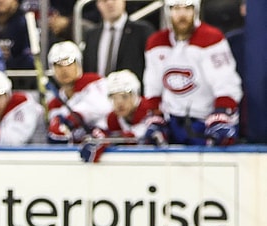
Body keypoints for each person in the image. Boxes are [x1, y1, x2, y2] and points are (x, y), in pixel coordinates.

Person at [142, 0, 242, 146]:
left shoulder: (211, 38)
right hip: (173, 124)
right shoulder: (156, 43)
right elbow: (152, 86)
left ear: (195, 10)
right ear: (168, 11)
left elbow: (226, 83)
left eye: (187, 8)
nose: (182, 15)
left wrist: (222, 114)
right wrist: (155, 116)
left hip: (206, 122)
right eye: (176, 9)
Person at [78, 69, 160, 162]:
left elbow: (140, 136)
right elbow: (99, 132)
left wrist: (109, 140)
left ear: (135, 95)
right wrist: (96, 141)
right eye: (114, 98)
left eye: (124, 96)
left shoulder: (151, 110)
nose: (119, 103)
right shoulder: (113, 119)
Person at [46, 40, 111, 143]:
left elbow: (103, 106)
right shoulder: (54, 103)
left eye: (69, 63)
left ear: (79, 65)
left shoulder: (95, 83)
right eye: (58, 65)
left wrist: (71, 119)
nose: (64, 70)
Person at [82, 0, 154, 83]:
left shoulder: (142, 31)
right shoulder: (91, 35)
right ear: (98, 4)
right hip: (98, 93)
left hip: (132, 93)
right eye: (104, 0)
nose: (110, 3)